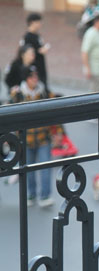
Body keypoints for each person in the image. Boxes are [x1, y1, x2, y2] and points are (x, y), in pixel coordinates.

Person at [9, 66, 59, 208]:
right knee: (27, 170)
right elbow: (11, 117)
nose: (35, 79)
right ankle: (31, 194)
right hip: (25, 140)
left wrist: (58, 133)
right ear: (26, 79)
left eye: (36, 76)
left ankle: (45, 196)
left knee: (45, 167)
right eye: (32, 77)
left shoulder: (44, 92)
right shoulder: (17, 95)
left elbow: (56, 112)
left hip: (44, 137)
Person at [81, 14, 99, 92]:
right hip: (95, 69)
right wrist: (87, 69)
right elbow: (84, 52)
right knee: (96, 91)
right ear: (97, 22)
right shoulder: (90, 33)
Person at [21, 13, 49, 90]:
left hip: (41, 66)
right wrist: (39, 51)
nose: (40, 24)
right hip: (35, 68)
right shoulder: (27, 37)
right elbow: (26, 52)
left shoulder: (37, 35)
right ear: (32, 22)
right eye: (38, 22)